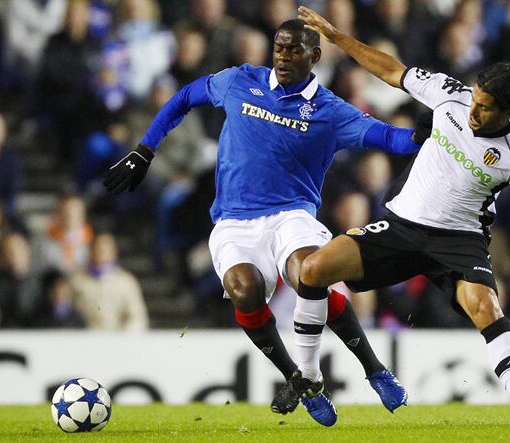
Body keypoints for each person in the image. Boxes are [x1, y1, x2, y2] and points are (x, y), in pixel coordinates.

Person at [104, 19, 422, 426]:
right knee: (244, 289)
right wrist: (145, 149)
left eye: (293, 50)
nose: (283, 57)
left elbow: (384, 137)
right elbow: (185, 96)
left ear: (315, 56)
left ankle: (374, 368)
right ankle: (299, 379)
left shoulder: (329, 110)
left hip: (291, 213)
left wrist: (420, 137)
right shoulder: (239, 80)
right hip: (234, 220)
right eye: (278, 48)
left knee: (310, 271)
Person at [297, 6, 510, 428]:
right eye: (475, 99)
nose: (473, 111)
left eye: (486, 108)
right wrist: (336, 36)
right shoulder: (449, 94)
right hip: (401, 225)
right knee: (314, 268)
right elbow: (390, 69)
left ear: (509, 112)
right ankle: (308, 376)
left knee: (487, 307)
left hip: (459, 240)